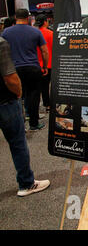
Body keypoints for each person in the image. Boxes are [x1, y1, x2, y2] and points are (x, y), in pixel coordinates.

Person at [0, 36, 50, 196]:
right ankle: (26, 183)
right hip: (5, 101)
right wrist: (18, 93)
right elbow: (9, 78)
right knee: (18, 143)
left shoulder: (7, 34)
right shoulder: (1, 43)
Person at [1, 9, 49, 131]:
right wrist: (44, 66)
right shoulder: (35, 31)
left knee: (18, 95)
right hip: (33, 67)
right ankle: (34, 123)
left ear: (15, 17)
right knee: (34, 95)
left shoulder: (6, 32)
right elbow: (44, 51)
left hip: (15, 68)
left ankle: (20, 123)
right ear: (28, 18)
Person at [35, 14, 53, 112]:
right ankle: (53, 103)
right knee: (53, 86)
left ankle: (47, 105)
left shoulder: (34, 33)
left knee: (43, 87)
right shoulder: (50, 33)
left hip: (37, 64)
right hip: (50, 63)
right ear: (45, 22)